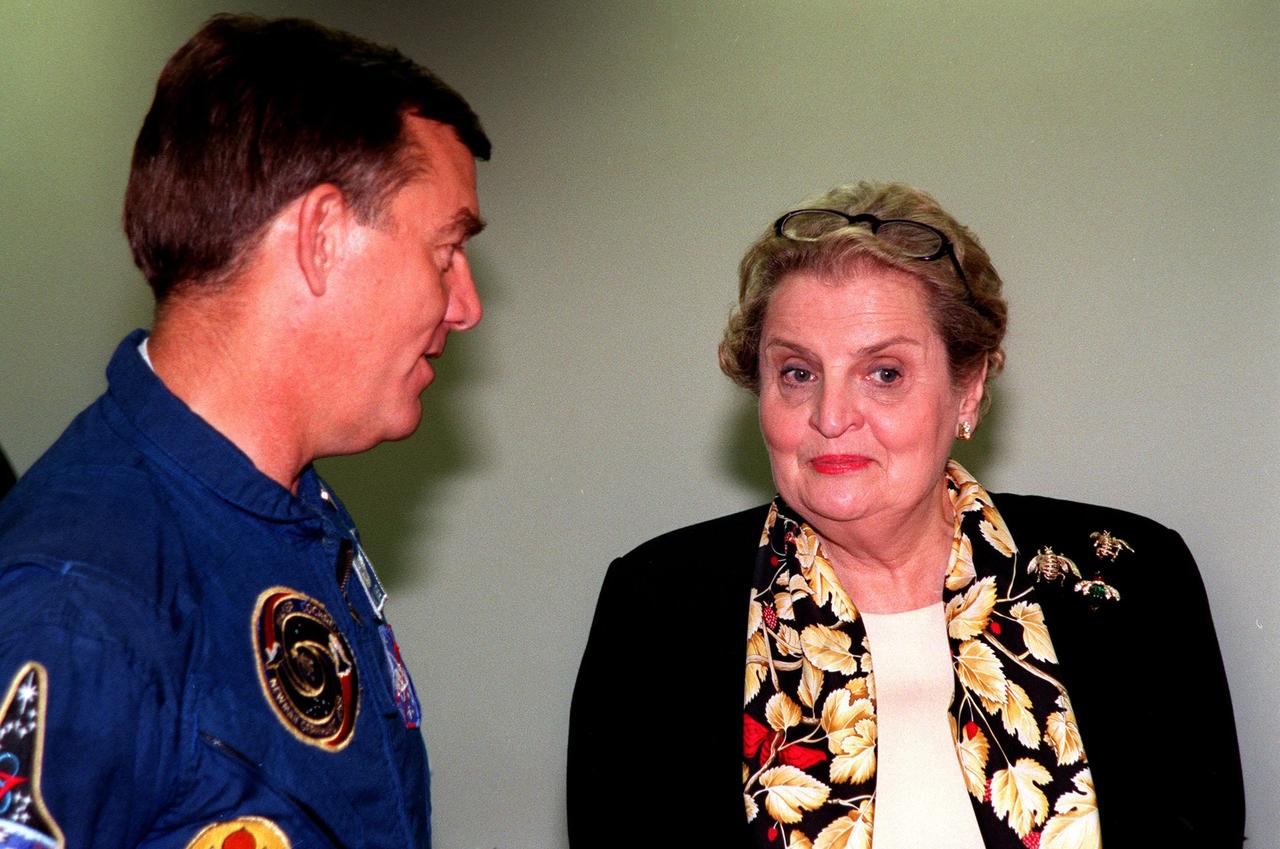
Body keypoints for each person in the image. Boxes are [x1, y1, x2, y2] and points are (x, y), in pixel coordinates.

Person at [567, 182, 1244, 848]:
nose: (831, 416)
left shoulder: (1126, 578)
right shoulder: (657, 606)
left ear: (969, 388)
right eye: (798, 373)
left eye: (884, 372)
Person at [0, 14, 488, 848]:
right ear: (322, 237)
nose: (466, 304)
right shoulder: (81, 605)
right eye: (446, 251)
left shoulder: (290, 509)